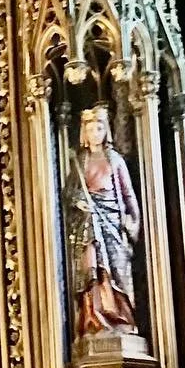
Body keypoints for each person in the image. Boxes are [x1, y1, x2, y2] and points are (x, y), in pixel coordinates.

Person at [66, 103, 140, 335]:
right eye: (89, 130)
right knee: (92, 269)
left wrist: (133, 220)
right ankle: (94, 319)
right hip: (88, 221)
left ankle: (121, 318)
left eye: (98, 128)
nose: (94, 134)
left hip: (111, 219)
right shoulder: (80, 161)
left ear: (105, 131)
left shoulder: (114, 159)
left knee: (116, 268)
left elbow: (128, 195)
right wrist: (78, 201)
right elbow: (68, 192)